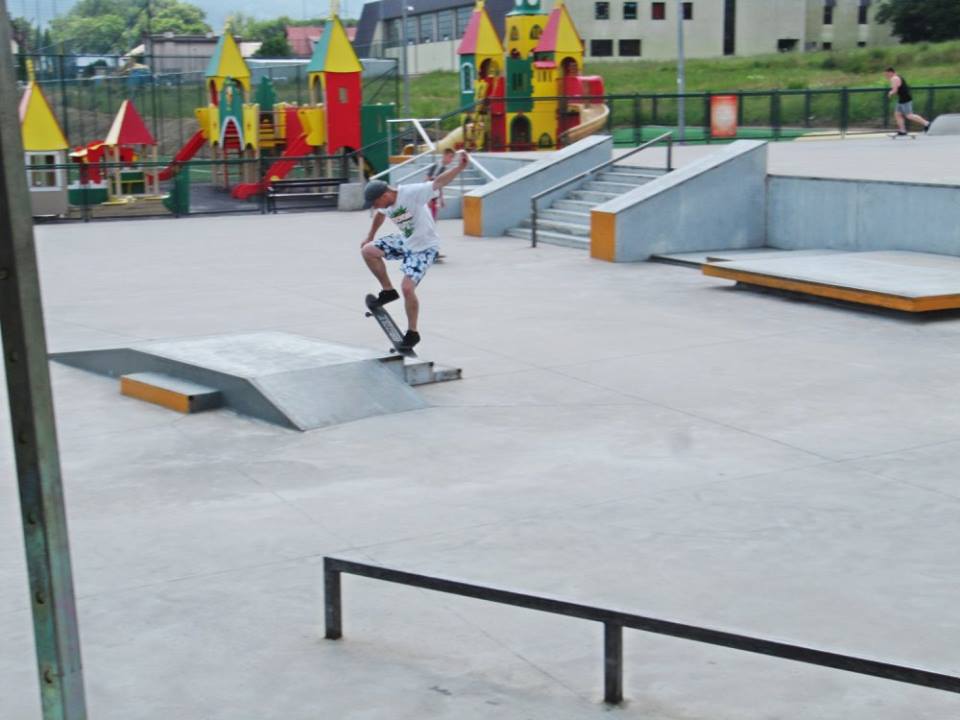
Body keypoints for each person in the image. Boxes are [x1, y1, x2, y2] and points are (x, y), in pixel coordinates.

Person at [360, 150, 469, 351]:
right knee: (368, 250)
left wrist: (460, 167)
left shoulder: (411, 193)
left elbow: (438, 182)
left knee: (408, 288)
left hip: (425, 248)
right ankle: (388, 291)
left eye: (375, 203)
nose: (375, 207)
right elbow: (380, 215)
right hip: (406, 241)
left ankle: (412, 333)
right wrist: (370, 236)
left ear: (385, 195)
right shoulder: (385, 203)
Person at [885, 67, 931, 136]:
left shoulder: (894, 78)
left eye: (887, 74)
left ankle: (927, 124)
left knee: (909, 115)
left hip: (905, 99)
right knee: (897, 114)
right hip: (902, 99)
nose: (886, 76)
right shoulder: (897, 77)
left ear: (890, 72)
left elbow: (895, 90)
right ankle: (902, 130)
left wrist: (890, 93)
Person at [425, 148, 456, 221]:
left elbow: (440, 184)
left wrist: (441, 199)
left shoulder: (444, 168)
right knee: (429, 221)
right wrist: (428, 199)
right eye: (450, 156)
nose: (451, 159)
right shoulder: (437, 166)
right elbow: (427, 181)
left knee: (432, 220)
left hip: (434, 198)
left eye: (452, 157)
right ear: (444, 155)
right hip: (429, 197)